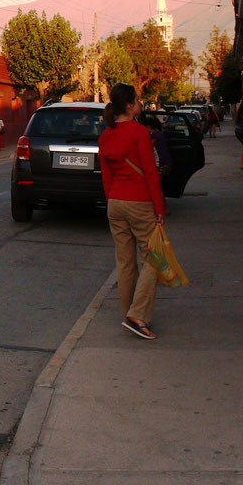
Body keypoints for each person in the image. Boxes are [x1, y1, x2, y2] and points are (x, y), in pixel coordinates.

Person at [99, 83, 166, 340]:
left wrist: (111, 201)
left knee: (125, 262)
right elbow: (150, 172)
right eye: (137, 100)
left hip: (115, 202)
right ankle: (138, 314)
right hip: (139, 202)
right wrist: (159, 207)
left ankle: (128, 315)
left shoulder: (105, 136)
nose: (140, 104)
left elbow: (106, 177)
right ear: (129, 106)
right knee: (154, 257)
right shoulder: (139, 133)